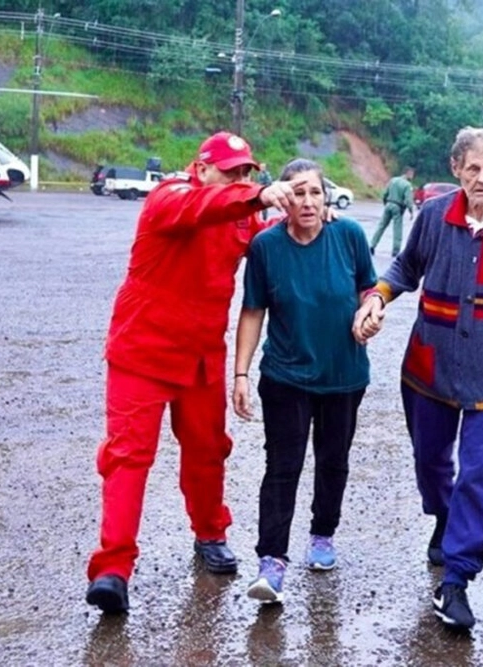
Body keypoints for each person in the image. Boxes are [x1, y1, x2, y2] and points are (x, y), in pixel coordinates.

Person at [85, 131, 307, 614]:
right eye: (230, 171)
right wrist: (253, 195)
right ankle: (112, 569)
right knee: (127, 457)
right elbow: (205, 208)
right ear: (200, 168)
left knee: (209, 451)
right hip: (141, 353)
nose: (240, 178)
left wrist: (309, 220)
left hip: (202, 357)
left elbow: (271, 241)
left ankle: (210, 533)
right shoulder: (170, 197)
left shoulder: (241, 218)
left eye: (246, 171)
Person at [353, 127, 483, 630]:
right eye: (472, 169)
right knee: (430, 461)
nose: (482, 178)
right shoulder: (436, 216)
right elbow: (405, 266)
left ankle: (458, 578)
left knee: (478, 474)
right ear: (456, 170)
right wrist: (376, 297)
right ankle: (442, 516)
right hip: (429, 367)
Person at [232, 158, 377, 604]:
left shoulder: (349, 235)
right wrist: (239, 372)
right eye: (298, 192)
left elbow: (368, 291)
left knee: (333, 460)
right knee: (282, 467)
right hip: (286, 376)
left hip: (343, 375)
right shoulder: (266, 246)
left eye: (315, 192)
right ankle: (271, 562)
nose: (308, 201)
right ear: (282, 198)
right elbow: (253, 311)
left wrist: (370, 312)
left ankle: (322, 534)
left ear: (326, 196)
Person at [370, 166, 416, 256]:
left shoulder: (393, 180)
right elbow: (408, 200)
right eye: (412, 174)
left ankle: (372, 245)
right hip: (397, 207)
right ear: (408, 173)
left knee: (381, 226)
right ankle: (396, 250)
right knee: (397, 229)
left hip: (388, 204)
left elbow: (385, 193)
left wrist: (385, 203)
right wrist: (411, 211)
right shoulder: (407, 185)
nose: (412, 176)